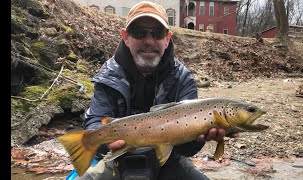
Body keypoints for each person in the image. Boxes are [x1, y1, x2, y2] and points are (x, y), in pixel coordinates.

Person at [74, 1, 237, 180]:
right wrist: (105, 143)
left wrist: (199, 137)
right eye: (139, 32)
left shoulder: (182, 78)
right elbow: (95, 120)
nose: (149, 41)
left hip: (169, 158)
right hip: (118, 158)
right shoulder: (107, 75)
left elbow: (187, 150)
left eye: (157, 33)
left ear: (167, 38)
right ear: (125, 37)